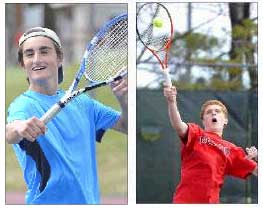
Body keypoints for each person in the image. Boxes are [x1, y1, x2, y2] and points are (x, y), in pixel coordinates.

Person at [6, 27, 128, 204]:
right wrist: (20, 127)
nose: (37, 59)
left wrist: (124, 102)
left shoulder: (84, 103)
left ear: (60, 58)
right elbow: (10, 132)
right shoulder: (23, 106)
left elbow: (126, 127)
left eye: (44, 51)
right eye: (29, 54)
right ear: (23, 63)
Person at [163, 84, 257, 204]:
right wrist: (171, 102)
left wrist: (258, 158)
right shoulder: (196, 133)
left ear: (225, 120)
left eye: (217, 111)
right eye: (209, 112)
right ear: (203, 120)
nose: (213, 113)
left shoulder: (232, 149)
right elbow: (178, 126)